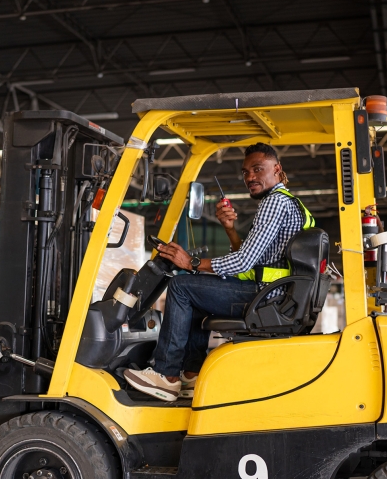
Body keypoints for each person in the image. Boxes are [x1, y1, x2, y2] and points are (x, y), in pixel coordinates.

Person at [123, 142, 315, 401]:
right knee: (197, 293)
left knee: (182, 286)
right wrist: (229, 228)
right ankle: (191, 375)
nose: (250, 177)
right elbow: (253, 262)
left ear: (277, 169)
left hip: (266, 297)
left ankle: (166, 375)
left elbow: (243, 262)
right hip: (277, 296)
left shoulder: (274, 202)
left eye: (258, 169)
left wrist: (190, 263)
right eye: (246, 172)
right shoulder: (291, 203)